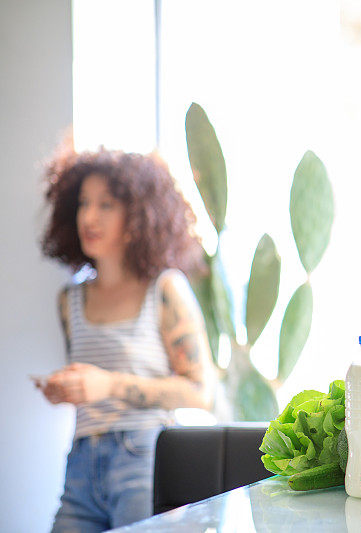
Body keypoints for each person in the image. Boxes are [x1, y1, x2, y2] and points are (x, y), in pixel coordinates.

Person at [38, 146, 214, 531]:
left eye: (106, 205)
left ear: (137, 214)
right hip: (80, 465)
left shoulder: (165, 289)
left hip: (144, 461)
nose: (89, 216)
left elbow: (200, 390)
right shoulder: (70, 301)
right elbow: (91, 388)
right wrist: (66, 389)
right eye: (84, 203)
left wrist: (108, 385)